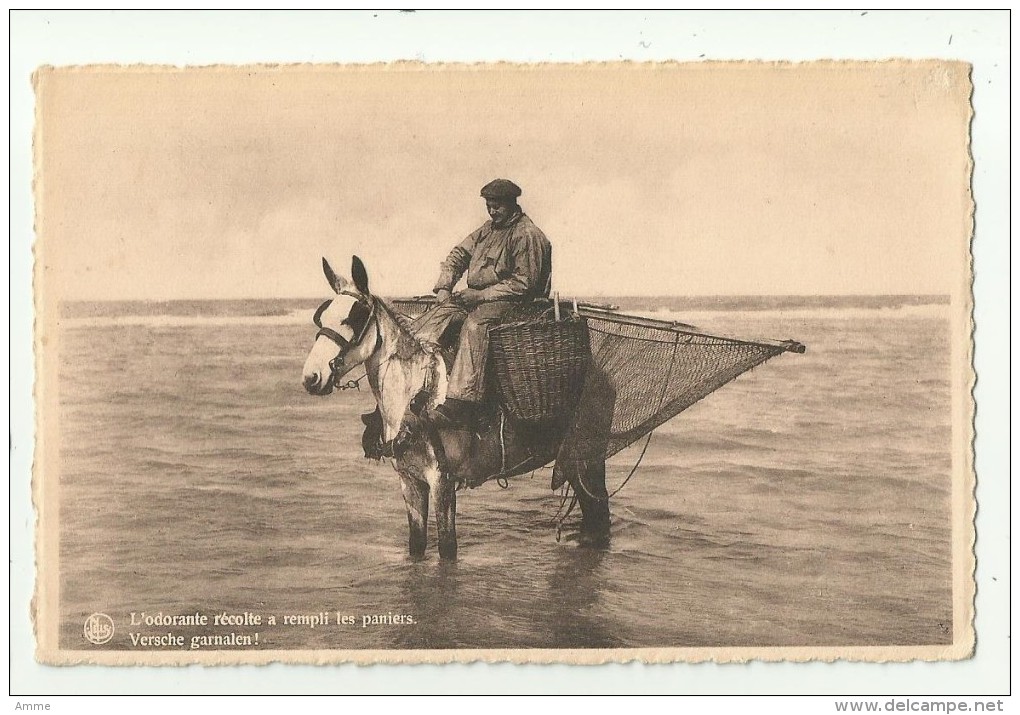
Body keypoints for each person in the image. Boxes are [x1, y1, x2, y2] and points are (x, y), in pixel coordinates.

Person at [424, 178, 552, 429]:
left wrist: (481, 296)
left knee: (474, 325)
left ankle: (461, 402)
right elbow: (458, 255)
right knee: (436, 317)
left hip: (516, 305)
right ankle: (426, 387)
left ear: (512, 204)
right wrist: (443, 287)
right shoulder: (487, 229)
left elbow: (523, 283)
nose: (492, 211)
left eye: (497, 207)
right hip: (480, 298)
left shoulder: (526, 234)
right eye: (489, 206)